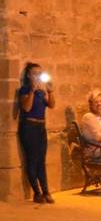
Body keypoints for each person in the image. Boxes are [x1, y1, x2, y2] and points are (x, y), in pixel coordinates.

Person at [18, 62, 55, 204]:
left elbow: (51, 105)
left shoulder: (41, 92)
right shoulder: (24, 90)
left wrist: (50, 91)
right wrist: (32, 91)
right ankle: (37, 192)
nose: (37, 76)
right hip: (29, 127)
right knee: (32, 160)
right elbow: (26, 108)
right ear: (28, 75)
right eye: (35, 73)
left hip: (40, 128)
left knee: (41, 161)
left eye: (40, 73)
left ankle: (46, 191)